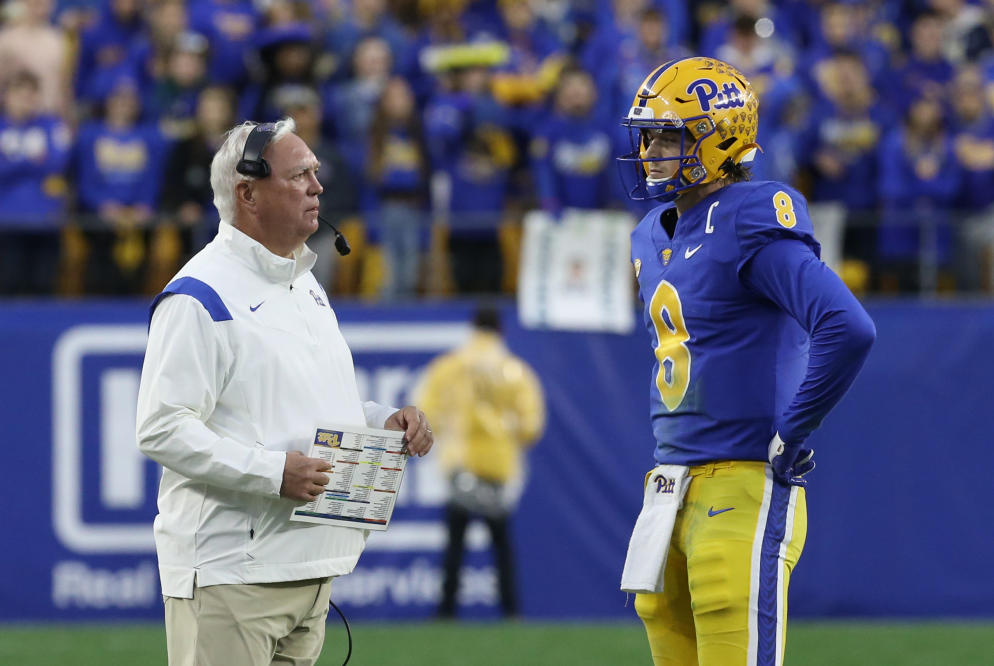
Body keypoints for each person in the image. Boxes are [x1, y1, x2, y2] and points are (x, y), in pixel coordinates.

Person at [136, 117, 434, 666]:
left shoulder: (304, 282)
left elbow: (306, 403)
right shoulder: (199, 296)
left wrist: (383, 420)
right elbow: (161, 427)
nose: (318, 187)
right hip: (233, 574)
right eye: (300, 175)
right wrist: (274, 473)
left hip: (309, 569)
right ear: (247, 192)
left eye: (315, 174)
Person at [616, 57, 875, 665]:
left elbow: (847, 325)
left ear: (719, 137)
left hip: (741, 478)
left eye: (670, 136)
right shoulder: (651, 231)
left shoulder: (750, 215)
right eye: (648, 135)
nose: (652, 150)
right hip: (666, 484)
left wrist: (793, 428)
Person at [412, 305, 545, 619]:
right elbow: (531, 425)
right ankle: (510, 612)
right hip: (498, 467)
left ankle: (446, 613)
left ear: (471, 328)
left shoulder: (449, 366)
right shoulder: (515, 370)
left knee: (455, 545)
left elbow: (426, 410)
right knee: (501, 546)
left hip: (460, 466)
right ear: (501, 331)